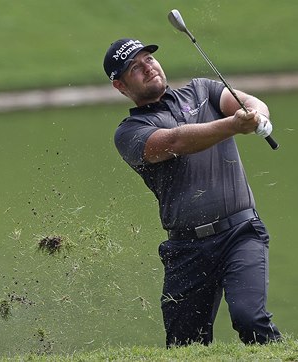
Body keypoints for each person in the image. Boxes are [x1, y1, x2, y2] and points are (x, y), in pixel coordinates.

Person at [103, 38, 281, 347]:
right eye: (135, 67)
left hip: (240, 232)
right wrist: (234, 125)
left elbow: (246, 102)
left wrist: (258, 116)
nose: (147, 67)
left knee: (250, 319)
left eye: (148, 59)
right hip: (186, 250)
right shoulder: (129, 133)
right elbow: (175, 142)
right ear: (120, 86)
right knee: (184, 346)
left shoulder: (203, 90)